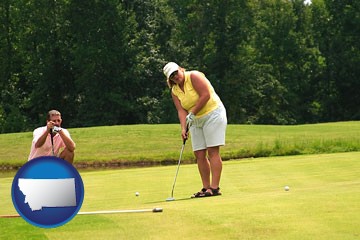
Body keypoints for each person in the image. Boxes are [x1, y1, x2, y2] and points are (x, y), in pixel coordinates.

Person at [163, 62, 227, 197]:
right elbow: (181, 110)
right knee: (199, 153)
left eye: (176, 73)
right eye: (171, 76)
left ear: (181, 69)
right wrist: (183, 128)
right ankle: (206, 187)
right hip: (195, 120)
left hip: (213, 114)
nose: (175, 77)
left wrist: (192, 113)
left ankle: (214, 188)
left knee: (213, 151)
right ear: (169, 79)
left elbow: (205, 95)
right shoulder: (174, 91)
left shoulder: (194, 76)